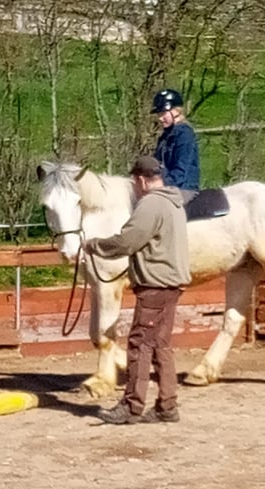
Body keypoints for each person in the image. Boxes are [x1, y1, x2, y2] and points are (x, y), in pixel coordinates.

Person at [83, 156, 191, 424]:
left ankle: (131, 406)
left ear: (142, 179)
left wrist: (95, 246)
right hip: (171, 283)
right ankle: (167, 405)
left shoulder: (151, 204)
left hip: (154, 284)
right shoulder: (174, 202)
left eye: (135, 181)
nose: (135, 186)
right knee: (161, 346)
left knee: (139, 345)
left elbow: (128, 240)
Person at [152, 88, 200, 191]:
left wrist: (161, 185)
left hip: (183, 190)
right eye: (159, 114)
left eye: (163, 113)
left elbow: (181, 172)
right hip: (167, 188)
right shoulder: (165, 136)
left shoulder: (185, 135)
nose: (160, 118)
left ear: (176, 111)